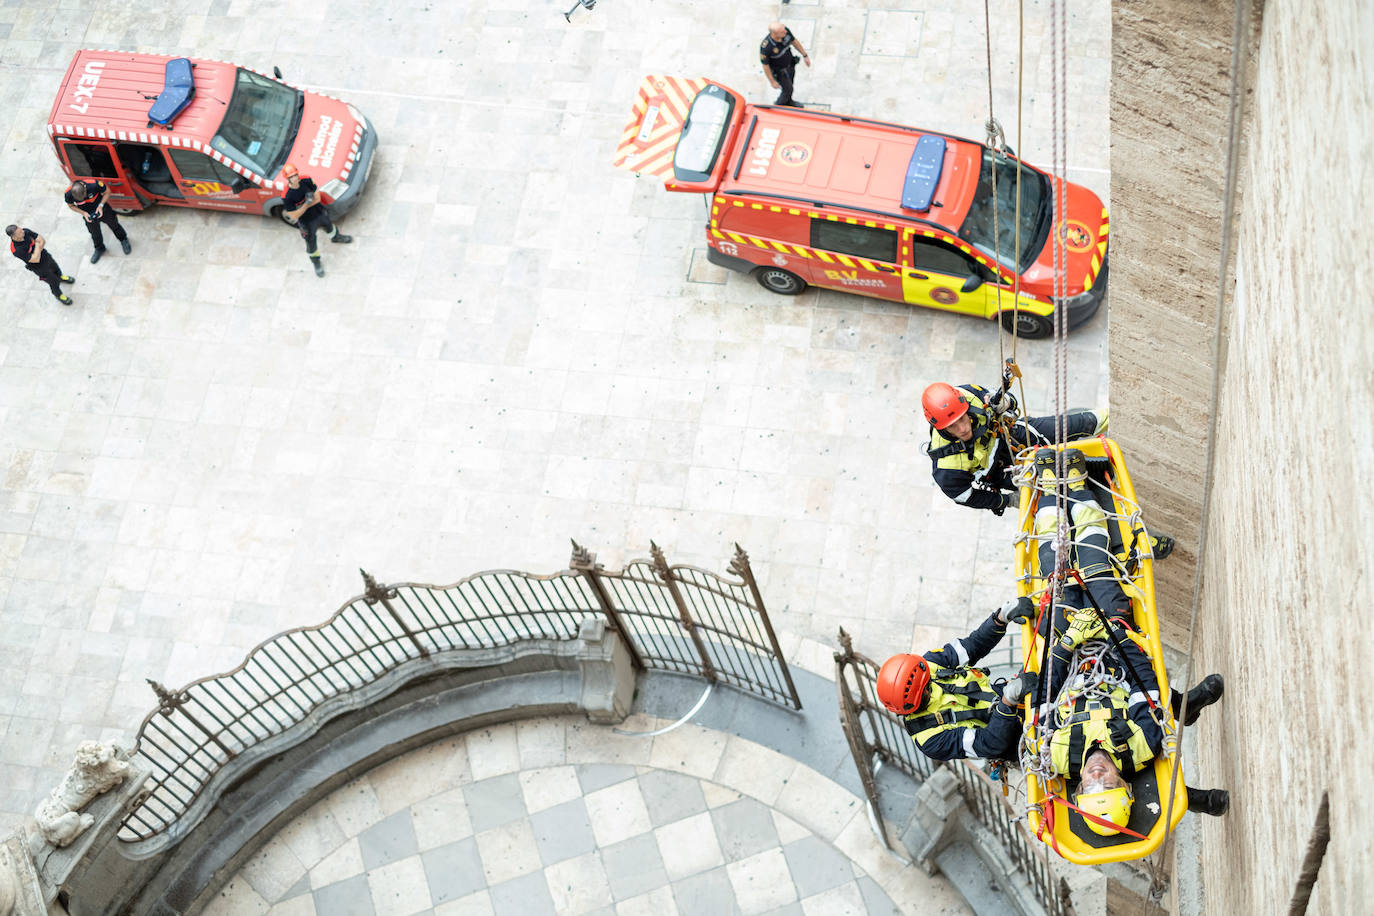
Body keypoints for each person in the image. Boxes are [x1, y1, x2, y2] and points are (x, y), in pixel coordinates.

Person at [1029, 447, 1228, 832]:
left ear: (1078, 790)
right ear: (1125, 784)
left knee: (1054, 565)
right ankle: (1074, 482)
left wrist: (1067, 642)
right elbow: (1144, 682)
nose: (1098, 774)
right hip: (1113, 643)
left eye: (1091, 786)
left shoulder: (1056, 753)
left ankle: (1053, 491)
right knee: (1093, 559)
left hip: (1069, 646)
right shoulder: (1140, 744)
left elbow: (1043, 694)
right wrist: (1117, 634)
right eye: (1109, 783)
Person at [876, 595, 1040, 763]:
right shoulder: (931, 740)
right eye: (926, 688)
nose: (930, 685)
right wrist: (1008, 702)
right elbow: (989, 743)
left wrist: (1000, 618)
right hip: (1021, 738)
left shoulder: (929, 665)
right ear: (914, 702)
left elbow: (972, 646)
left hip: (1008, 696)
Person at [281, 163, 351, 277]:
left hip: (319, 212)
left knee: (329, 226)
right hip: (306, 222)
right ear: (287, 179)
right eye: (291, 177)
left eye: (295, 175)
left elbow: (318, 198)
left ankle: (335, 237)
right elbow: (294, 216)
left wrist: (302, 207)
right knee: (311, 242)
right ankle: (316, 262)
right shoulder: (287, 196)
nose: (295, 178)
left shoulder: (306, 179)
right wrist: (307, 203)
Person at [64, 180, 130, 264]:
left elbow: (107, 192)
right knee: (94, 233)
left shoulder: (94, 184)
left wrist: (101, 205)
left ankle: (123, 239)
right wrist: (83, 213)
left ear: (85, 188)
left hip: (103, 209)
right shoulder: (68, 193)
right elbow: (71, 206)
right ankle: (99, 248)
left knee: (114, 225)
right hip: (88, 215)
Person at [7, 224, 74, 305]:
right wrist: (38, 245)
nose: (23, 231)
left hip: (45, 255)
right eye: (20, 232)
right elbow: (36, 259)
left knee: (56, 268)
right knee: (53, 282)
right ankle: (59, 295)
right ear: (14, 237)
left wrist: (37, 250)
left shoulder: (25, 231)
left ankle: (61, 277)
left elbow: (42, 240)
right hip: (38, 267)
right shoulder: (16, 250)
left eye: (20, 229)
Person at [760, 21, 810, 108]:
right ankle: (778, 107)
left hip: (790, 64)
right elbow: (765, 65)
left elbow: (794, 42)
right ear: (774, 34)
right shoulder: (766, 47)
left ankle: (789, 101)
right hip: (780, 72)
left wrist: (805, 55)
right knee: (787, 90)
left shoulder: (785, 32)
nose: (785, 32)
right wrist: (772, 81)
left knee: (790, 84)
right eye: (782, 32)